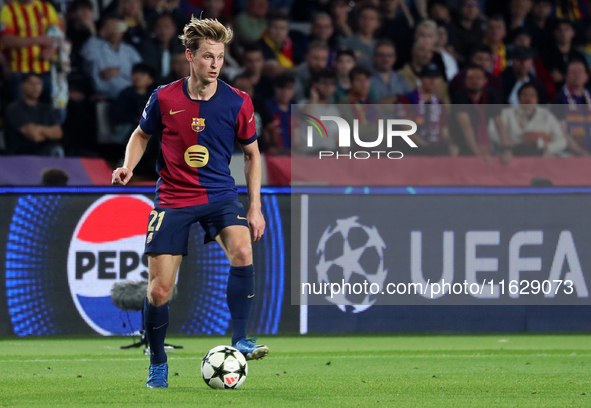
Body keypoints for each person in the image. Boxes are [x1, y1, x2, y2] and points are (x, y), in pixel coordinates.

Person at [111, 17, 268, 389]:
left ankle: (240, 339)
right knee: (158, 290)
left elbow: (252, 155)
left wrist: (255, 206)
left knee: (243, 250)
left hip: (219, 195)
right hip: (173, 198)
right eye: (208, 56)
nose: (215, 64)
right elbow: (140, 135)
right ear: (190, 57)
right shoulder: (164, 97)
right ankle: (158, 361)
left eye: (220, 57)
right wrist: (127, 166)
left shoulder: (238, 101)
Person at [450, 64, 513, 164]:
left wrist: (508, 149)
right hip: (462, 144)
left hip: (486, 143)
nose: (474, 81)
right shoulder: (460, 96)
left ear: (485, 81)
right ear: (465, 81)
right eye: (470, 78)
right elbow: (466, 126)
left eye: (478, 78)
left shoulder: (491, 95)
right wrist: (477, 152)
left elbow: (499, 123)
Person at [0, 0, 61, 102]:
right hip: (20, 71)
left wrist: (52, 50)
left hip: (46, 71)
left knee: (48, 111)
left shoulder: (46, 8)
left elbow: (58, 35)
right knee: (23, 112)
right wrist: (36, 40)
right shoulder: (8, 10)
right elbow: (6, 39)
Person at [493, 83, 566, 156]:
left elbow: (562, 141)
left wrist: (546, 147)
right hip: (514, 155)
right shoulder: (506, 114)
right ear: (519, 98)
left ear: (537, 99)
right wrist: (510, 144)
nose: (528, 99)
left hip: (541, 157)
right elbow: (492, 133)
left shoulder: (547, 116)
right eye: (525, 95)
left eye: (532, 95)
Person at [399, 64, 457, 156]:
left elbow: (444, 133)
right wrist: (426, 147)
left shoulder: (440, 105)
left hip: (434, 149)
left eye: (436, 77)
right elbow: (406, 128)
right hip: (412, 150)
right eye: (428, 77)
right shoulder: (407, 99)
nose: (433, 81)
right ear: (420, 79)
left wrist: (450, 144)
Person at [80, 13, 142, 99]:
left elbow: (141, 71)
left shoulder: (129, 50)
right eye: (111, 27)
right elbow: (86, 56)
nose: (114, 31)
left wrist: (120, 71)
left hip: (129, 95)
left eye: (118, 27)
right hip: (104, 95)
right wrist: (100, 34)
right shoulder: (95, 46)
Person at [5, 73, 64, 156]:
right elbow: (33, 135)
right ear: (22, 86)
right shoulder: (15, 108)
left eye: (38, 83)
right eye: (31, 83)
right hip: (23, 154)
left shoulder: (46, 108)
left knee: (57, 150)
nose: (35, 87)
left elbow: (58, 133)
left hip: (47, 150)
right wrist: (48, 132)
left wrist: (39, 129)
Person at [552, 59, 591, 155]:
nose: (577, 75)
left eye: (580, 72)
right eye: (573, 72)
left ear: (586, 76)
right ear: (566, 76)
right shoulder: (559, 100)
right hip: (570, 151)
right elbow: (562, 131)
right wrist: (581, 152)